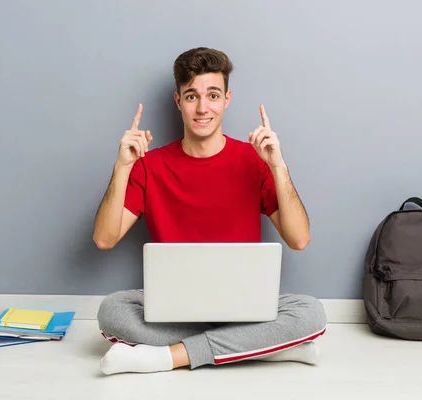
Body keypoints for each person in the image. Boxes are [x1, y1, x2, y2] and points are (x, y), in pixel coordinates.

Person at [92, 47, 327, 375]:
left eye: (212, 95)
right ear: (178, 101)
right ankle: (260, 347)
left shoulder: (255, 160)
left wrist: (278, 166)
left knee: (310, 312)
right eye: (191, 97)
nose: (203, 108)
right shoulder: (150, 165)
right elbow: (104, 239)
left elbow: (300, 239)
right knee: (112, 311)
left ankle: (167, 357)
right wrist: (122, 166)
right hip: (175, 309)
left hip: (244, 307)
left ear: (226, 99)